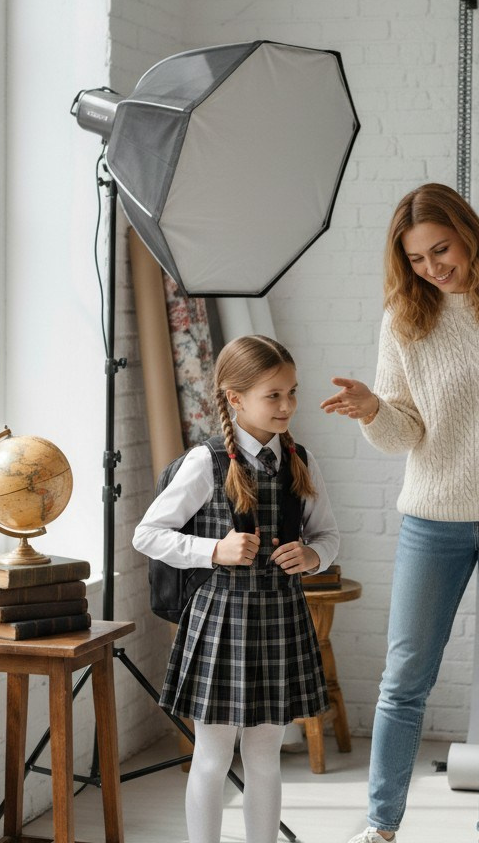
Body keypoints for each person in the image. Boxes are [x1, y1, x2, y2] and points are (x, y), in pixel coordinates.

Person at [321, 183, 479, 843]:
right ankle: (380, 828)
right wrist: (375, 410)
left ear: (467, 234)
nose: (432, 268)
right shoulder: (405, 317)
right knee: (405, 680)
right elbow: (407, 432)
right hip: (435, 516)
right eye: (416, 259)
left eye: (441, 249)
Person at [132, 335, 339, 843]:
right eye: (274, 395)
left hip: (281, 616)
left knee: (266, 754)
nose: (288, 405)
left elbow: (329, 536)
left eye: (292, 392)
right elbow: (147, 534)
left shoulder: (300, 460)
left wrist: (314, 556)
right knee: (212, 754)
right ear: (235, 397)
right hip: (221, 619)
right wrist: (213, 551)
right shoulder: (206, 463)